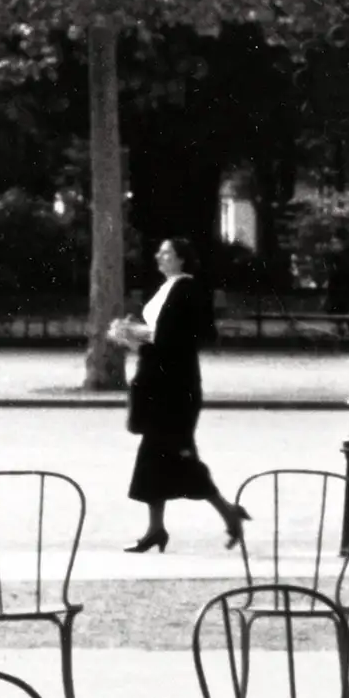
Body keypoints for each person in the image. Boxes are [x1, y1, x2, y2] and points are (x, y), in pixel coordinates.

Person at [108, 237, 245, 553]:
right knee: (155, 457)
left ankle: (228, 514)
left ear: (182, 259)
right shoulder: (169, 287)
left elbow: (177, 337)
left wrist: (134, 334)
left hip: (174, 387)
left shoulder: (187, 289)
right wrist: (134, 334)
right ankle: (156, 528)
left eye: (166, 252)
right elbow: (162, 334)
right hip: (162, 382)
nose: (159, 255)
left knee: (178, 456)